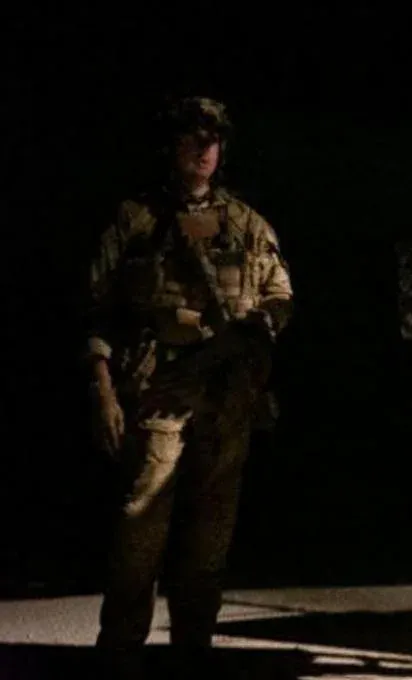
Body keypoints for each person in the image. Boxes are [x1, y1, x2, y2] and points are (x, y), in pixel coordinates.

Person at [86, 96, 293, 679]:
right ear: (171, 146)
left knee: (209, 538)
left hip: (224, 399)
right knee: (139, 531)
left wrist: (249, 335)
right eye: (190, 139)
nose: (202, 151)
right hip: (158, 390)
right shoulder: (137, 220)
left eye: (212, 141)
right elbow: (97, 310)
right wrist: (102, 390)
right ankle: (120, 654)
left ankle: (192, 653)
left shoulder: (247, 223)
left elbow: (280, 297)